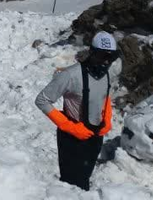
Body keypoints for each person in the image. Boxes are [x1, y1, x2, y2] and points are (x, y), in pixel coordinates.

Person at [35, 31, 119, 191]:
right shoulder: (70, 75)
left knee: (84, 180)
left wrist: (107, 119)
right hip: (72, 139)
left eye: (111, 58)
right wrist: (70, 127)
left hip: (95, 137)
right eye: (102, 56)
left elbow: (105, 96)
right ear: (92, 53)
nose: (106, 62)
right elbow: (42, 100)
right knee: (70, 186)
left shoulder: (107, 74)